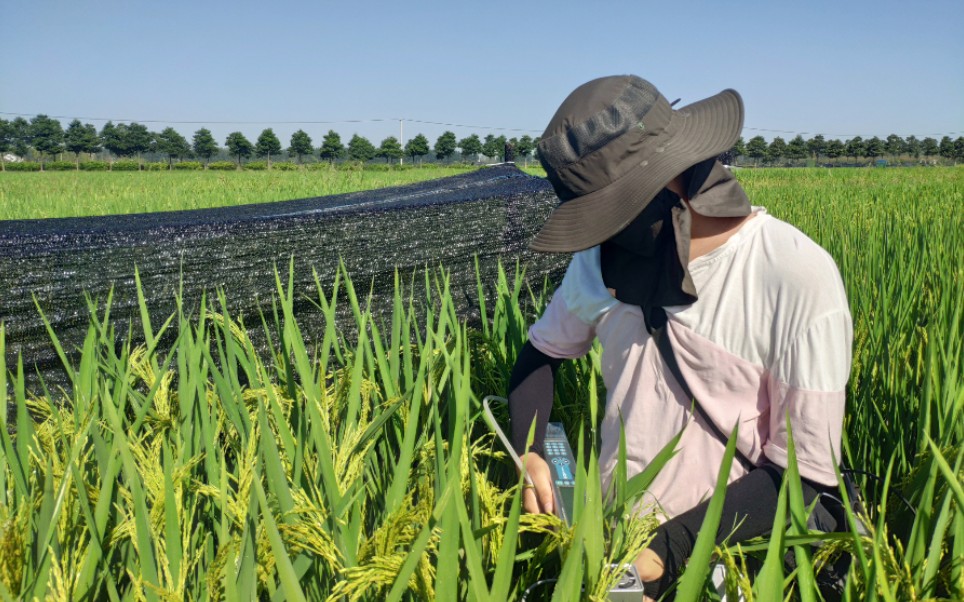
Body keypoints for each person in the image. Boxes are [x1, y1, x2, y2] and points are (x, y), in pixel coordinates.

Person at [508, 75, 852, 599]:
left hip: (730, 561)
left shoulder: (792, 273)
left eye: (608, 212)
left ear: (669, 181)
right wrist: (530, 449)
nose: (601, 234)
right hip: (617, 545)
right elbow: (540, 353)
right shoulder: (598, 262)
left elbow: (803, 477)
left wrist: (667, 552)